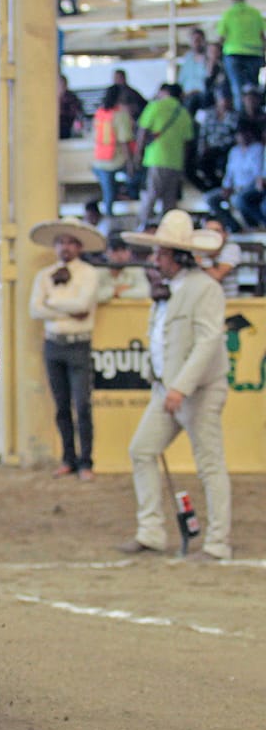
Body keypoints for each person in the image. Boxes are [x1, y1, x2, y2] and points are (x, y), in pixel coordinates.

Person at [117, 210, 232, 561]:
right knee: (142, 450)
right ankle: (151, 531)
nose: (155, 260)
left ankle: (218, 543)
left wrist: (180, 386)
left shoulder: (204, 288)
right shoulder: (170, 289)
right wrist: (168, 385)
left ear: (178, 256)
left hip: (195, 391)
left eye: (161, 254)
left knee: (210, 463)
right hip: (168, 389)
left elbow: (208, 342)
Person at [29, 217, 103, 481]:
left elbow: (83, 304)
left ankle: (86, 461)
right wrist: (69, 307)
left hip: (78, 343)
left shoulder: (90, 274)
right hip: (54, 344)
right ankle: (69, 459)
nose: (65, 247)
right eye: (61, 242)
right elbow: (35, 309)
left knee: (82, 405)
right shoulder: (44, 275)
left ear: (80, 247)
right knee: (61, 406)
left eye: (71, 242)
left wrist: (53, 303)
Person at [134, 83, 195, 230]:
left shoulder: (155, 106)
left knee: (151, 196)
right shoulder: (184, 113)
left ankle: (142, 227)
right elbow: (187, 141)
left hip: (156, 158)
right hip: (176, 161)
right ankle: (168, 230)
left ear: (165, 92)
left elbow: (142, 132)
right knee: (169, 201)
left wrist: (138, 155)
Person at [204, 120, 263, 232]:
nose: (242, 137)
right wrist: (227, 186)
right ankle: (234, 226)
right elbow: (229, 173)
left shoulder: (258, 149)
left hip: (252, 187)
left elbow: (258, 173)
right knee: (210, 198)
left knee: (239, 199)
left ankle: (255, 225)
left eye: (245, 133)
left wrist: (243, 188)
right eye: (239, 134)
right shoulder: (234, 151)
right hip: (235, 187)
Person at [215, 0, 266, 112]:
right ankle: (254, 114)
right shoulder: (255, 13)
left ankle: (241, 116)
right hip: (254, 54)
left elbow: (221, 37)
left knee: (237, 88)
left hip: (233, 53)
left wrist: (216, 56)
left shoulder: (228, 14)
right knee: (253, 88)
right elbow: (262, 35)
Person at [91, 84, 134, 217]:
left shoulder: (100, 113)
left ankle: (109, 213)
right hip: (116, 160)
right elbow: (125, 140)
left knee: (108, 194)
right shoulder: (120, 115)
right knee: (136, 177)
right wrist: (130, 162)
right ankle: (126, 196)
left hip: (99, 160)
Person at [96, 234, 150, 302]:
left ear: (130, 253)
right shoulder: (98, 271)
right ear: (106, 253)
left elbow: (144, 292)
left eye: (123, 250)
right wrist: (114, 291)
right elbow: (93, 296)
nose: (120, 255)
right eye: (115, 250)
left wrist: (116, 293)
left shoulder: (136, 269)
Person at [199, 217, 243, 298]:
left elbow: (217, 276)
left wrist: (200, 260)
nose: (212, 235)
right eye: (208, 231)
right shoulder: (197, 249)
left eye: (217, 231)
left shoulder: (232, 248)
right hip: (202, 301)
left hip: (227, 302)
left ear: (225, 234)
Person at [177, 28, 209, 116]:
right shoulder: (188, 58)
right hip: (186, 94)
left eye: (199, 40)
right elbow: (181, 79)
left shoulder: (208, 57)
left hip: (201, 95)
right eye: (194, 40)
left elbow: (207, 78)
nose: (196, 42)